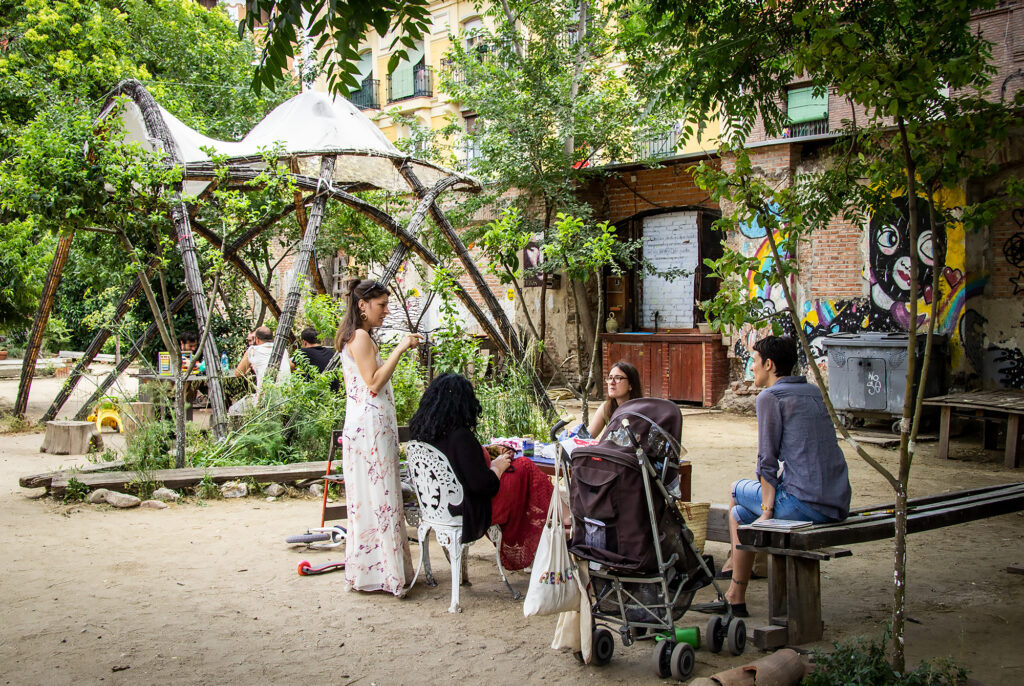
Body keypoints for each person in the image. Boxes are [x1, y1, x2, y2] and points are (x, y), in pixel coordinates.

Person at [721, 335, 851, 617]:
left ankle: (734, 577)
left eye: (754, 361)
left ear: (769, 364)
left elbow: (766, 461)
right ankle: (735, 591)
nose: (751, 367)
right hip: (837, 503)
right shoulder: (813, 392)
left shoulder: (771, 397)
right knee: (741, 515)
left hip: (805, 505)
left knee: (735, 491)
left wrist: (767, 511)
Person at [408, 373, 555, 571]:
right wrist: (497, 467)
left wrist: (491, 459)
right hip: (470, 510)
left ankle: (552, 524)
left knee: (519, 472)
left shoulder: (423, 434)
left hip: (437, 507)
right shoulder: (460, 437)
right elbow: (483, 486)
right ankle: (562, 520)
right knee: (524, 467)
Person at [336, 279, 420, 595]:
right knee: (380, 495)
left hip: (367, 423)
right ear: (363, 305)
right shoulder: (359, 336)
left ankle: (377, 571)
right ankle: (384, 574)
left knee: (374, 495)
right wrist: (400, 348)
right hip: (369, 424)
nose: (386, 311)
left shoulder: (359, 336)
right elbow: (373, 382)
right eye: (381, 305)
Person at [587, 360, 643, 439]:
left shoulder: (642, 410)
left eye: (618, 378)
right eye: (610, 378)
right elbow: (587, 436)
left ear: (630, 385)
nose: (611, 382)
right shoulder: (606, 407)